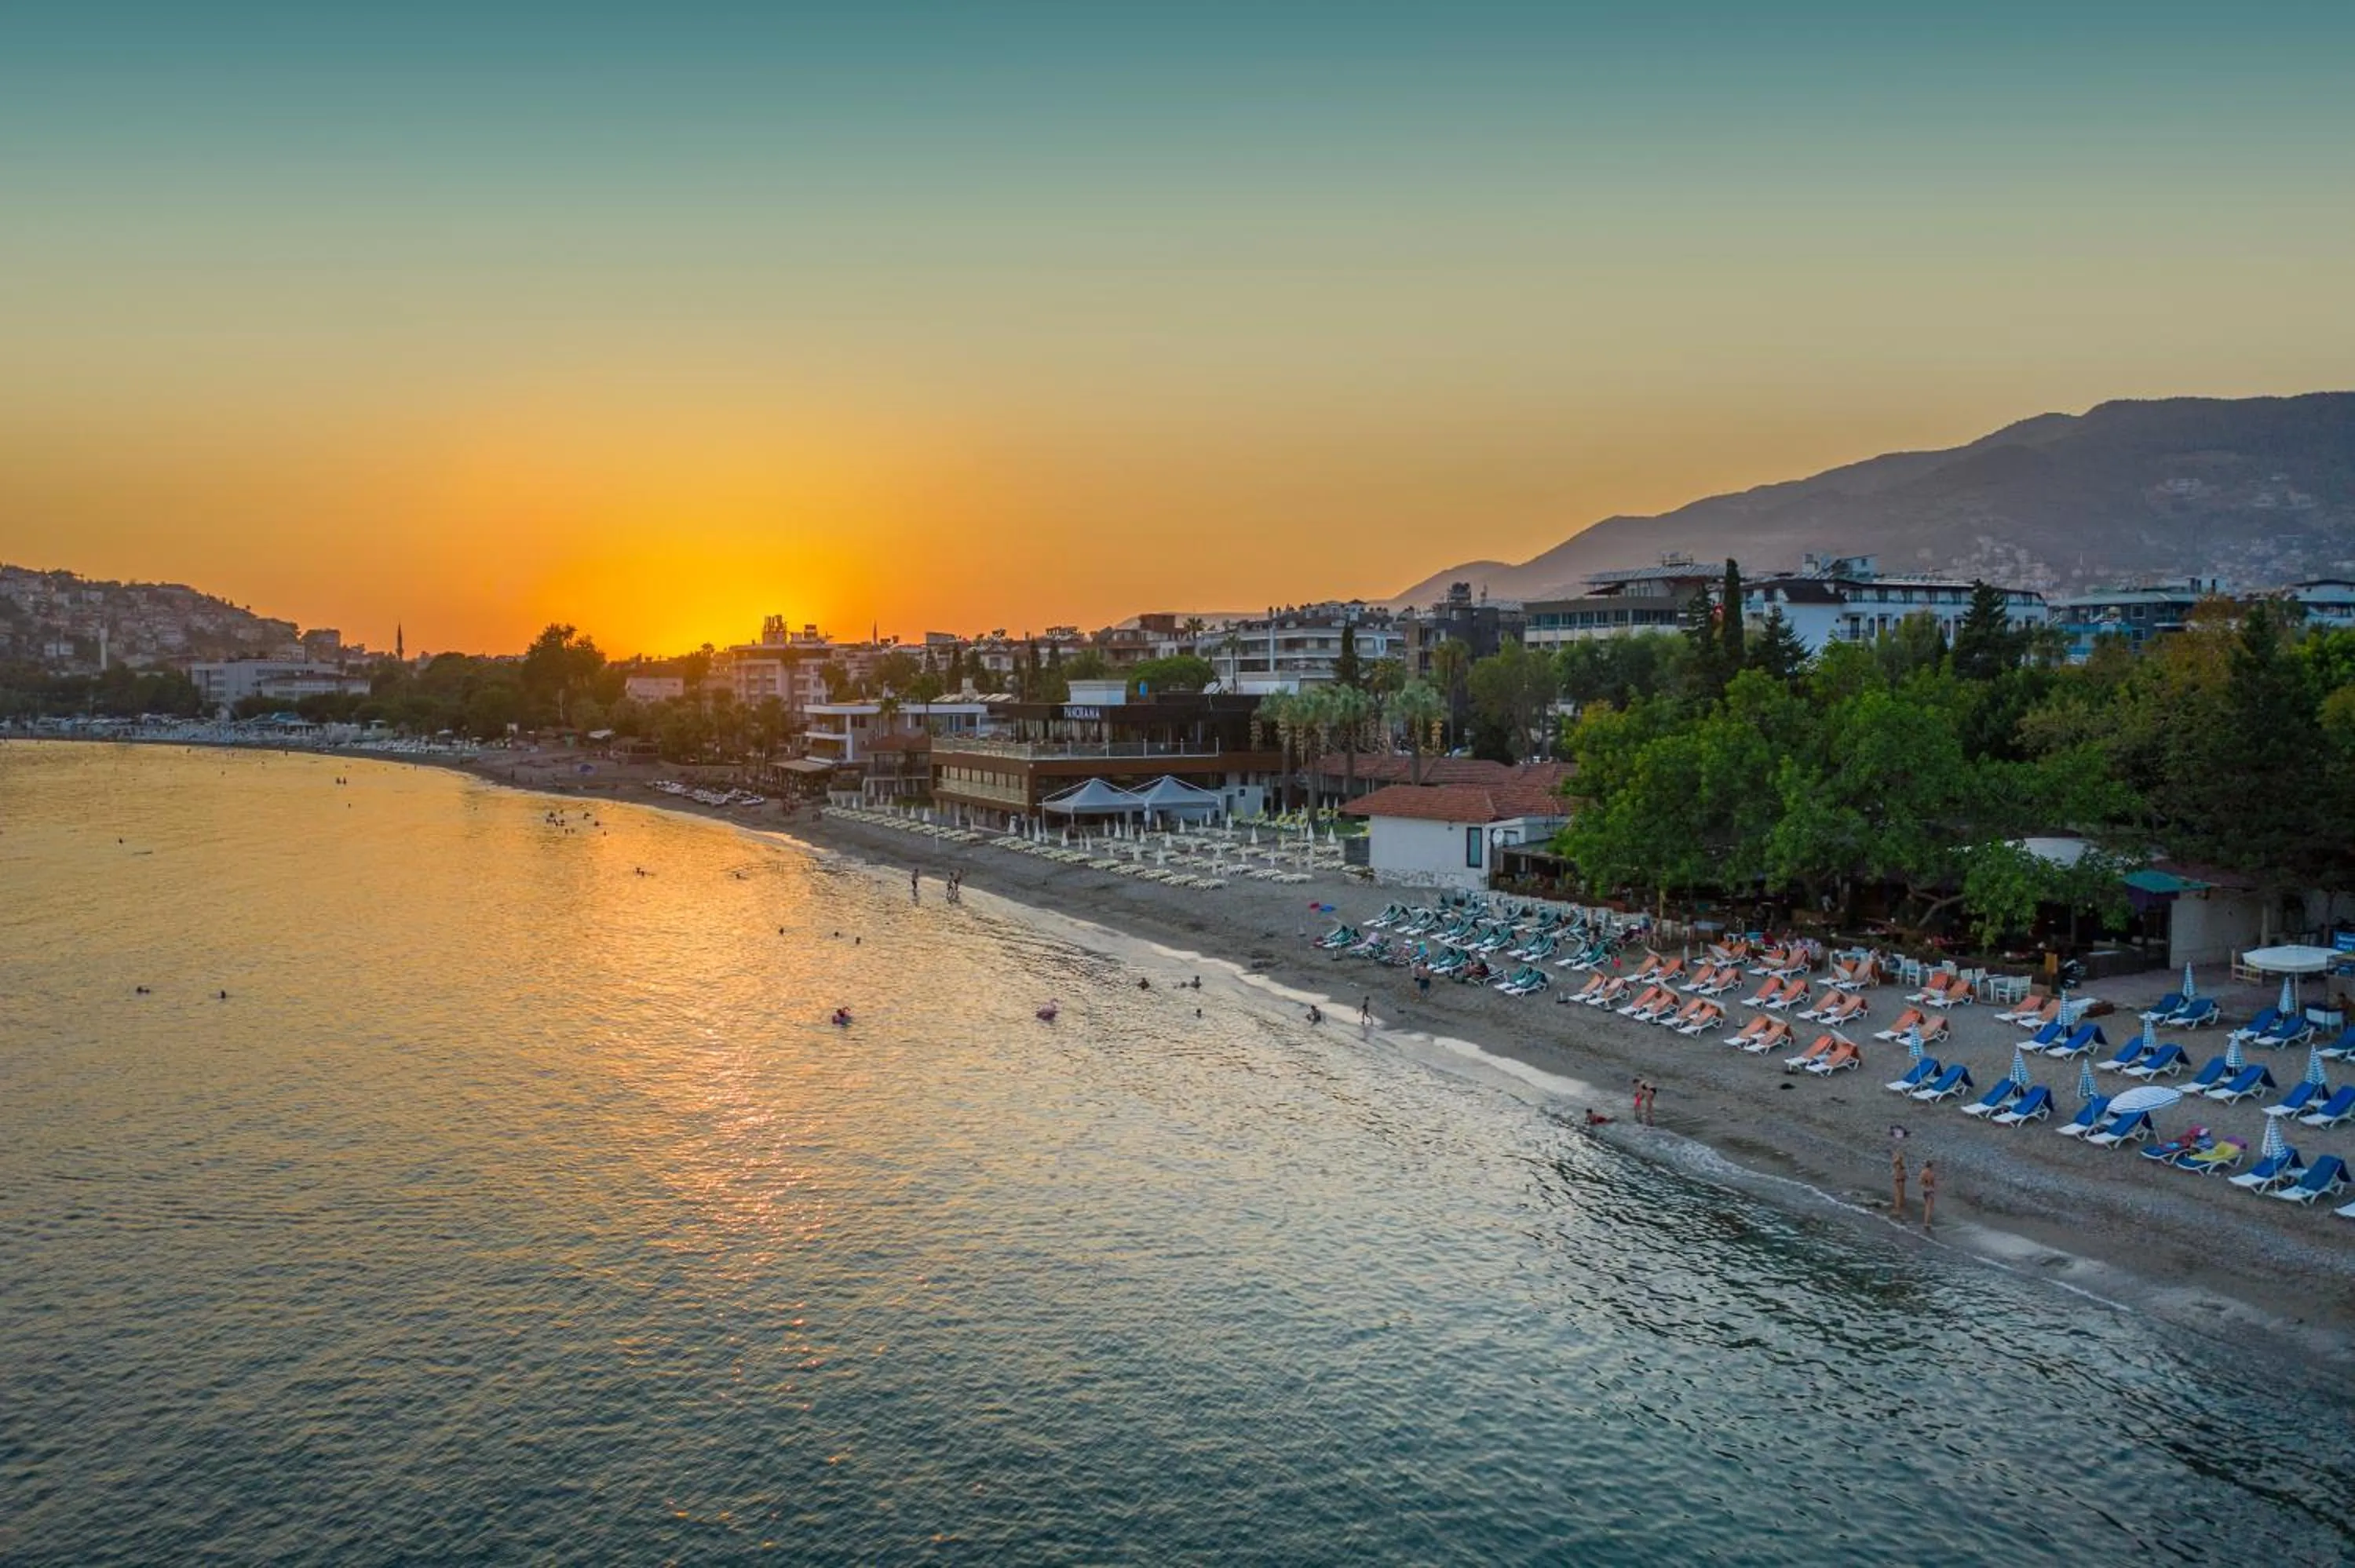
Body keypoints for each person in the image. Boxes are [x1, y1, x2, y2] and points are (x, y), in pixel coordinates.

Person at [1891, 1146, 1908, 1223]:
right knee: (1900, 1194)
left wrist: (1897, 1157)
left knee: (1898, 1194)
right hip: (1900, 1179)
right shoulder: (1900, 1166)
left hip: (1899, 1179)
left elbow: (1895, 1163)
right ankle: (1900, 1207)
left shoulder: (1898, 1164)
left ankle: (1898, 1209)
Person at [1919, 1160, 1938, 1230]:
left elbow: (1920, 1181)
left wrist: (1924, 1185)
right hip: (1930, 1191)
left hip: (1925, 1190)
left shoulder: (1923, 1172)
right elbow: (1933, 1184)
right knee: (1929, 1208)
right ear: (1931, 1166)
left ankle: (1926, 1221)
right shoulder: (1931, 1173)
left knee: (1927, 1206)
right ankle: (1927, 1223)